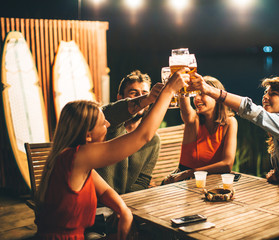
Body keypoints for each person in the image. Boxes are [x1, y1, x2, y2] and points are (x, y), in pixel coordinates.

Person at [34, 68, 189, 240]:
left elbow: (105, 191)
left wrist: (123, 210)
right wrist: (168, 91)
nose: (108, 124)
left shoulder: (74, 159)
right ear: (87, 134)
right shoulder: (78, 157)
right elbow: (143, 136)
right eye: (102, 123)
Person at [189, 74, 279, 239]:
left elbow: (252, 110)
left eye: (272, 93)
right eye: (265, 93)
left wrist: (210, 90)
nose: (265, 97)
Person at [162, 76, 238, 184]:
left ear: (216, 96)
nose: (197, 98)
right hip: (184, 182)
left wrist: (190, 172)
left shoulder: (230, 123)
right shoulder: (193, 120)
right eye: (195, 94)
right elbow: (185, 104)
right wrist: (182, 80)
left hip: (211, 181)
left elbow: (227, 164)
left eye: (202, 93)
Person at [98, 70, 163, 194]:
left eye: (145, 93)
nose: (141, 97)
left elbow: (142, 181)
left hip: (129, 203)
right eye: (134, 93)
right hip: (101, 201)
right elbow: (110, 112)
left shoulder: (153, 140)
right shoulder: (108, 126)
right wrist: (148, 98)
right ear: (120, 98)